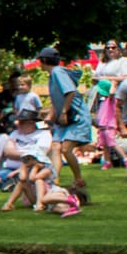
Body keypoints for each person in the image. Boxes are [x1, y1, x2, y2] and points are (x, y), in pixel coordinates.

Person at [41, 46, 91, 184]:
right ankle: (55, 180)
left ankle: (78, 179)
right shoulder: (53, 75)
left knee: (66, 148)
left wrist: (63, 112)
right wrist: (51, 115)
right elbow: (57, 99)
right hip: (65, 118)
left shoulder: (57, 72)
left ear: (44, 60)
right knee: (56, 147)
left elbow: (70, 92)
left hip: (76, 117)